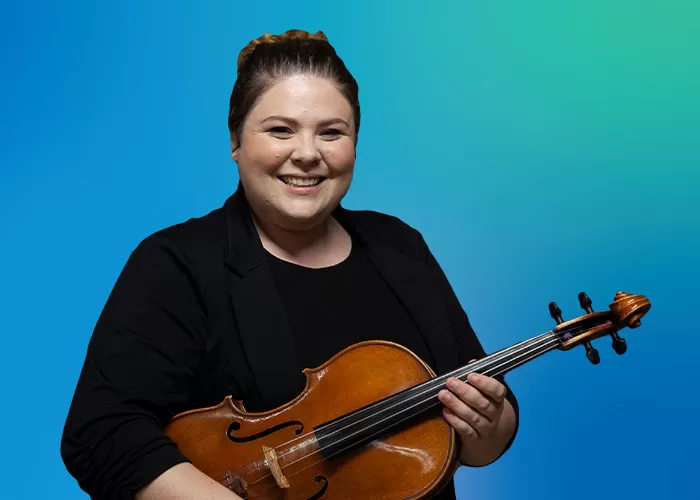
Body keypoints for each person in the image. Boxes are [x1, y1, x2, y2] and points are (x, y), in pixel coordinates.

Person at [61, 29, 519, 500]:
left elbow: (482, 435)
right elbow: (102, 435)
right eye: (280, 130)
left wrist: (486, 425)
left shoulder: (399, 245)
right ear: (236, 140)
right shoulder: (175, 264)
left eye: (331, 132)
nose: (306, 153)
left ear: (355, 142)